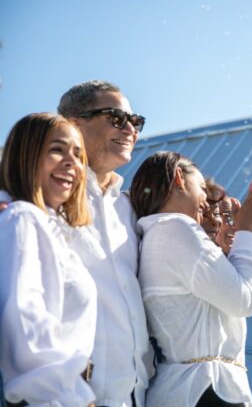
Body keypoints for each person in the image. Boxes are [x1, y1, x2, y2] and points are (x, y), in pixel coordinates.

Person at [130, 152, 252, 407]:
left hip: (193, 388)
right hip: (206, 388)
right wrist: (248, 232)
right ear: (178, 179)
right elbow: (243, 301)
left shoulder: (157, 233)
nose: (207, 203)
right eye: (202, 189)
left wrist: (247, 237)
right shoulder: (177, 228)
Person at [58, 80, 150, 406]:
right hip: (70, 394)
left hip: (137, 394)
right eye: (116, 118)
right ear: (73, 125)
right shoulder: (40, 202)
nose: (130, 129)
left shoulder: (131, 210)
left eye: (135, 121)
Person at [0, 113, 97, 406]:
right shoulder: (22, 218)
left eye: (78, 155)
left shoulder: (46, 225)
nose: (72, 163)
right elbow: (25, 321)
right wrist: (72, 397)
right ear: (25, 157)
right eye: (57, 149)